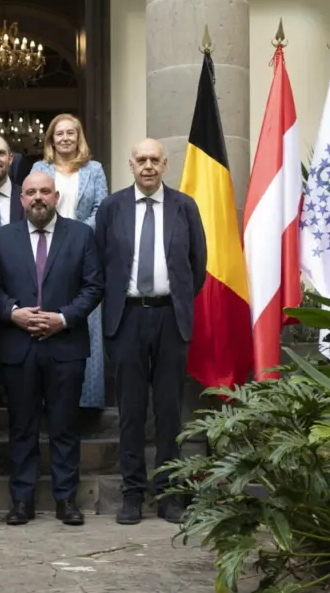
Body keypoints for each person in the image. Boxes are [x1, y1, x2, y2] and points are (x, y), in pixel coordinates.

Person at [94, 138, 207, 526]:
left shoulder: (184, 207)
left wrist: (172, 301)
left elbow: (198, 266)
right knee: (130, 410)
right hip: (126, 319)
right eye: (140, 159)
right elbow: (101, 261)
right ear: (130, 164)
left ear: (165, 164)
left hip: (169, 318)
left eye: (154, 160)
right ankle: (131, 494)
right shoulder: (111, 208)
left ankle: (169, 494)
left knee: (169, 410)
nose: (147, 166)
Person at [0, 172, 103, 526]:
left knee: (64, 426)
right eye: (30, 193)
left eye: (44, 191)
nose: (37, 198)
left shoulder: (82, 235)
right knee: (21, 427)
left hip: (65, 345)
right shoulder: (0, 238)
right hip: (17, 345)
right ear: (20, 199)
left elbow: (94, 285)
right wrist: (13, 313)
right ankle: (21, 501)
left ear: (56, 197)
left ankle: (66, 500)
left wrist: (63, 318)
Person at [30, 114, 109, 409]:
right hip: (45, 245)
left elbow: (102, 207)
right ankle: (44, 396)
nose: (65, 138)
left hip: (83, 247)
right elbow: (34, 203)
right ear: (51, 138)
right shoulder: (40, 168)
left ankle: (87, 399)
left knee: (84, 315)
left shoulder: (95, 169)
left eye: (70, 133)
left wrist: (77, 234)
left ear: (79, 137)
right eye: (59, 133)